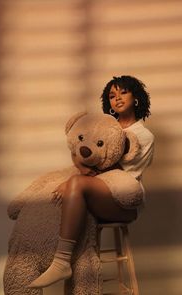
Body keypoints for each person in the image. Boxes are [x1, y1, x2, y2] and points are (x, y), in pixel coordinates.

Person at [28, 75, 155, 288]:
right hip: (97, 194)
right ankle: (50, 261)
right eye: (112, 95)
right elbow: (81, 153)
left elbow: (113, 171)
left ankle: (61, 262)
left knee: (76, 184)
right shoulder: (105, 128)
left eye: (123, 92)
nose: (118, 98)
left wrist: (77, 178)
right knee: (59, 196)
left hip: (123, 202)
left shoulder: (143, 135)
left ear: (136, 98)